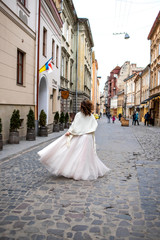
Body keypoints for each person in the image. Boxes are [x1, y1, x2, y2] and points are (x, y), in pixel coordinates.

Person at [38, 100, 110, 181]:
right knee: (88, 156)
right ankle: (87, 171)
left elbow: (75, 125)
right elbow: (94, 126)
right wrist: (87, 130)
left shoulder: (79, 115)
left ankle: (77, 172)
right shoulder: (91, 116)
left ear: (82, 107)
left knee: (76, 154)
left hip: (81, 137)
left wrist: (70, 132)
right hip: (88, 137)